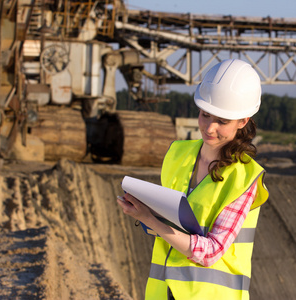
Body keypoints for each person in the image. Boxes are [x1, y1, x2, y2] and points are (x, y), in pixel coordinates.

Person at [117, 59, 269, 300]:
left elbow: (210, 252)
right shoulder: (178, 154)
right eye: (205, 115)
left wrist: (146, 218)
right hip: (163, 292)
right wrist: (146, 210)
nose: (210, 128)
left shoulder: (244, 178)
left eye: (222, 121)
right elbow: (174, 223)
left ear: (243, 121)